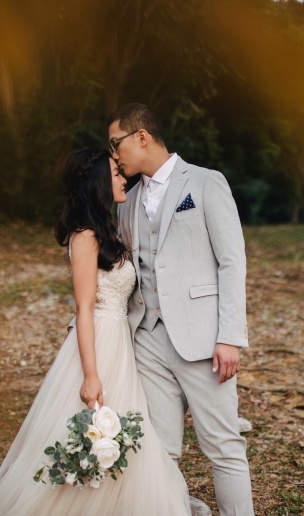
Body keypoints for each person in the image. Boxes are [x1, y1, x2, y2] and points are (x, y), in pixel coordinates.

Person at [0, 148, 191, 516]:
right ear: (99, 183)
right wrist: (91, 375)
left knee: (121, 431)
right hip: (98, 342)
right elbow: (83, 309)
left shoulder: (107, 230)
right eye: (116, 174)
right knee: (89, 430)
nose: (123, 179)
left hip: (120, 343)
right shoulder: (84, 237)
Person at [108, 103, 255, 516]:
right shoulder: (128, 201)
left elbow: (232, 260)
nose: (113, 154)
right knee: (159, 450)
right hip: (148, 339)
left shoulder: (207, 183)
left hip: (204, 338)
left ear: (142, 136)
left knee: (223, 445)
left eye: (115, 143)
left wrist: (229, 336)